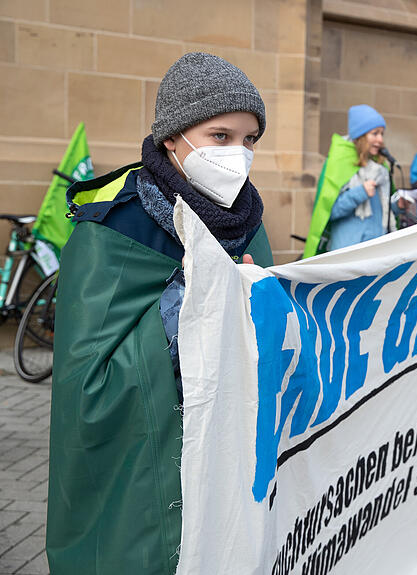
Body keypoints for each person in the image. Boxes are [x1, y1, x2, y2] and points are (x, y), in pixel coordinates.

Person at [47, 52, 273, 574]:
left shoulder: (245, 217)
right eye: (221, 136)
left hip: (229, 463)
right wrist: (192, 299)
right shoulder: (113, 225)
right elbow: (88, 390)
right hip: (146, 488)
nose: (238, 154)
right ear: (173, 138)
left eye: (249, 140)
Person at [303, 104, 392, 256]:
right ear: (361, 136)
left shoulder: (381, 167)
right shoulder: (340, 163)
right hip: (348, 253)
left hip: (376, 252)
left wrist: (398, 205)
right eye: (375, 134)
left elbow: (383, 209)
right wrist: (360, 192)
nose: (380, 139)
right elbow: (331, 211)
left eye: (382, 134)